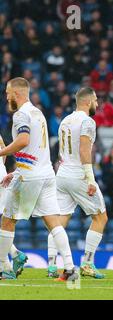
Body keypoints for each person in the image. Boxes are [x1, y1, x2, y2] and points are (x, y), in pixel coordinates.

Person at [0, 78, 77, 281]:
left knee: (7, 221)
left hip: (29, 177)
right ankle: (69, 268)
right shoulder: (38, 113)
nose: (6, 96)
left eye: (8, 92)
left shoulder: (21, 114)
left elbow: (23, 141)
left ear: (16, 93)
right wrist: (15, 172)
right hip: (46, 174)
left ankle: (4, 269)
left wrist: (1, 153)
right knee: (53, 222)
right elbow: (33, 148)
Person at [48, 87, 108, 279]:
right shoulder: (88, 121)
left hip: (62, 174)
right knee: (100, 218)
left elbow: (61, 150)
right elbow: (84, 151)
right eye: (96, 101)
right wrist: (90, 179)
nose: (97, 104)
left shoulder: (65, 120)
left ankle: (51, 265)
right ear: (88, 101)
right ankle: (88, 263)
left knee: (59, 222)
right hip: (78, 175)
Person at [0, 134, 28, 278]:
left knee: (5, 222)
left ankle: (10, 261)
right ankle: (11, 259)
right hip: (1, 175)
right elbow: (4, 149)